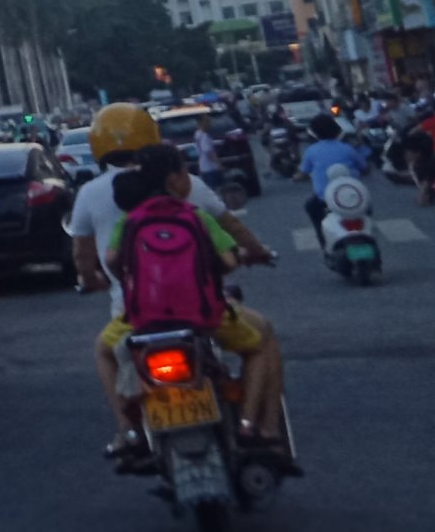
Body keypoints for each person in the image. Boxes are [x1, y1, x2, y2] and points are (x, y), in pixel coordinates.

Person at [68, 104, 282, 458]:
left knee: (104, 352)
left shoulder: (95, 196)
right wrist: (254, 253)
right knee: (262, 339)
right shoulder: (190, 195)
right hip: (204, 310)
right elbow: (232, 230)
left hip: (137, 316)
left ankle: (128, 431)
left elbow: (87, 255)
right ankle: (263, 428)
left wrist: (96, 280)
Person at [297, 113, 369, 242]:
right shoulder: (347, 148)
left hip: (324, 199)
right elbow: (364, 168)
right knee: (367, 210)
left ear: (315, 133)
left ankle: (323, 240)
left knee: (311, 208)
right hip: (353, 197)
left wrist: (297, 177)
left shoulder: (311, 151)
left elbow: (303, 172)